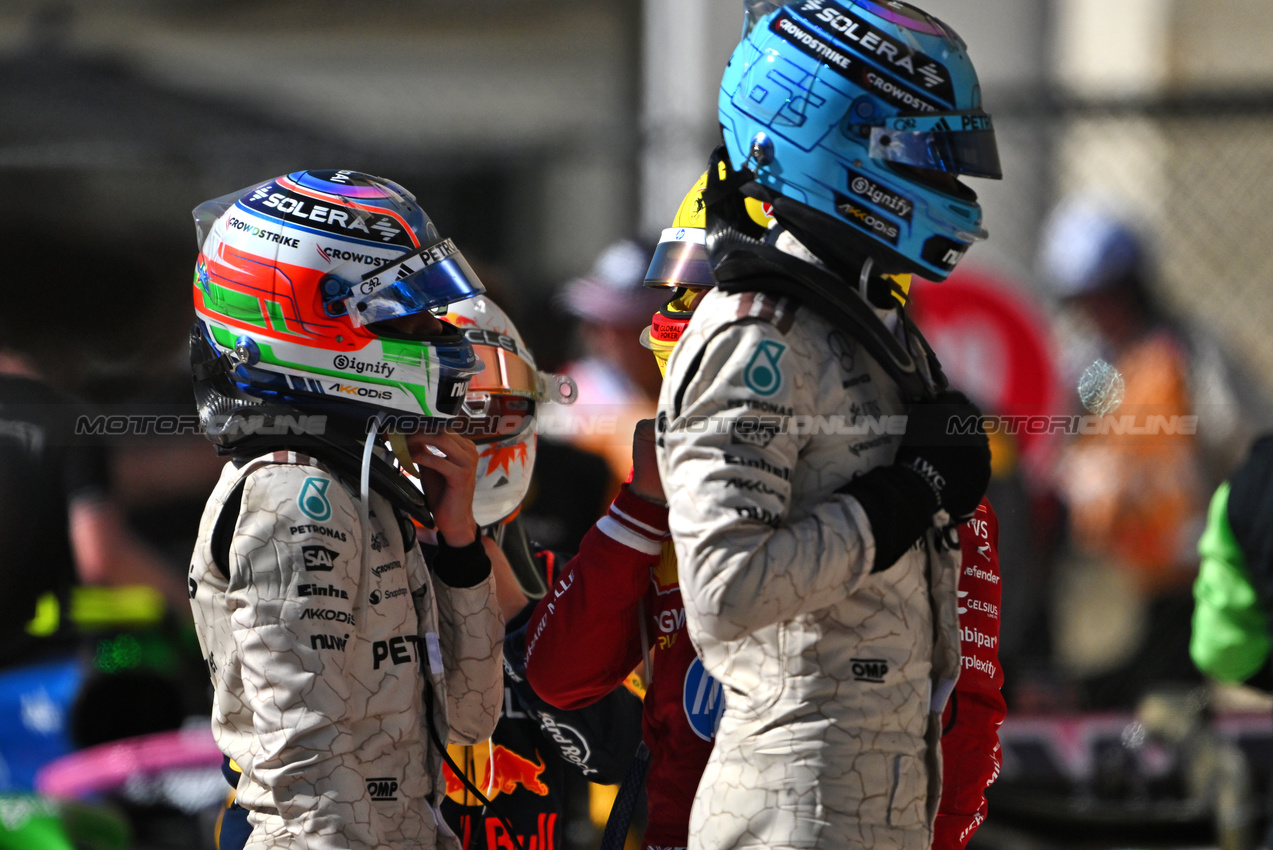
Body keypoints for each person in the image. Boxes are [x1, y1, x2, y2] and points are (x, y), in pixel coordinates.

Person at [656, 3, 1000, 848]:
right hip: (791, 800)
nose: (950, 179)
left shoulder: (860, 320)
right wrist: (907, 493)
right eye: (925, 151)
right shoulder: (755, 333)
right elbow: (724, 591)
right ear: (830, 137)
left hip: (875, 791)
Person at [186, 169, 504, 850]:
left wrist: (459, 543)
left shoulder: (360, 474)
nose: (435, 331)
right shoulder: (295, 495)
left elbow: (473, 715)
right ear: (306, 326)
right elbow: (308, 764)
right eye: (401, 313)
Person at [525, 173, 760, 850]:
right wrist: (639, 505)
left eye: (615, 323)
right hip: (639, 758)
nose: (602, 338)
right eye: (593, 320)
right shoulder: (585, 418)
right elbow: (562, 669)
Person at [434, 294, 645, 850]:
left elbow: (622, 757)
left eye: (491, 412)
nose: (471, 438)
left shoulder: (555, 581)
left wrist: (519, 621)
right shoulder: (349, 563)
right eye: (453, 413)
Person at [1039, 196, 1256, 706]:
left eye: (1106, 296)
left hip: (1185, 563)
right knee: (1107, 685)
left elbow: (1234, 436)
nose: (1097, 311)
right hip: (1115, 569)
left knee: (1172, 686)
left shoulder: (1183, 352)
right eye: (1083, 300)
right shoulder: (1098, 366)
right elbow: (1069, 438)